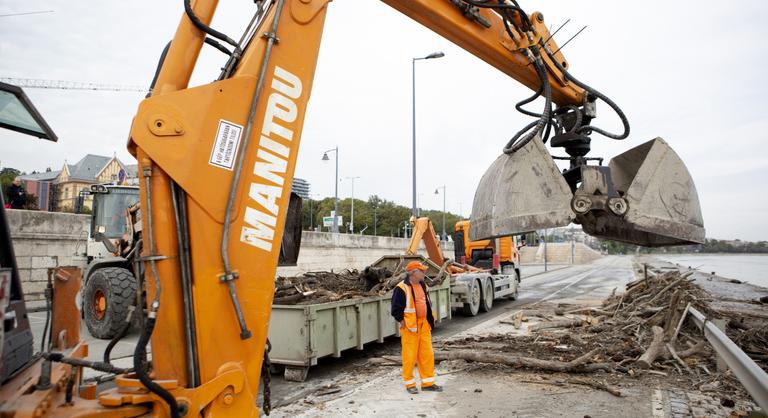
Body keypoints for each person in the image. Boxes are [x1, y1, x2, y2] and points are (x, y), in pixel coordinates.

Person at [390, 261, 443, 394]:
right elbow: (395, 309)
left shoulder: (422, 285)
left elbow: (426, 303)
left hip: (424, 325)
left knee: (427, 355)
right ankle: (410, 384)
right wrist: (402, 322)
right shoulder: (401, 288)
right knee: (409, 357)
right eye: (422, 271)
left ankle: (428, 383)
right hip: (410, 328)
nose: (424, 273)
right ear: (413, 272)